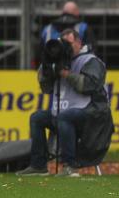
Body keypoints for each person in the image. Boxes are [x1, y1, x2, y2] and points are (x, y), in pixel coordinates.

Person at [17, 29, 111, 176]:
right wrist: (47, 67)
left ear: (79, 43)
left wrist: (66, 74)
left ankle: (69, 166)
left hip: (92, 113)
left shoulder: (90, 61)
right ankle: (38, 165)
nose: (65, 46)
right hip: (64, 112)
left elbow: (89, 85)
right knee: (37, 118)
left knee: (65, 117)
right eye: (62, 43)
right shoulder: (59, 61)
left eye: (69, 42)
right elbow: (46, 89)